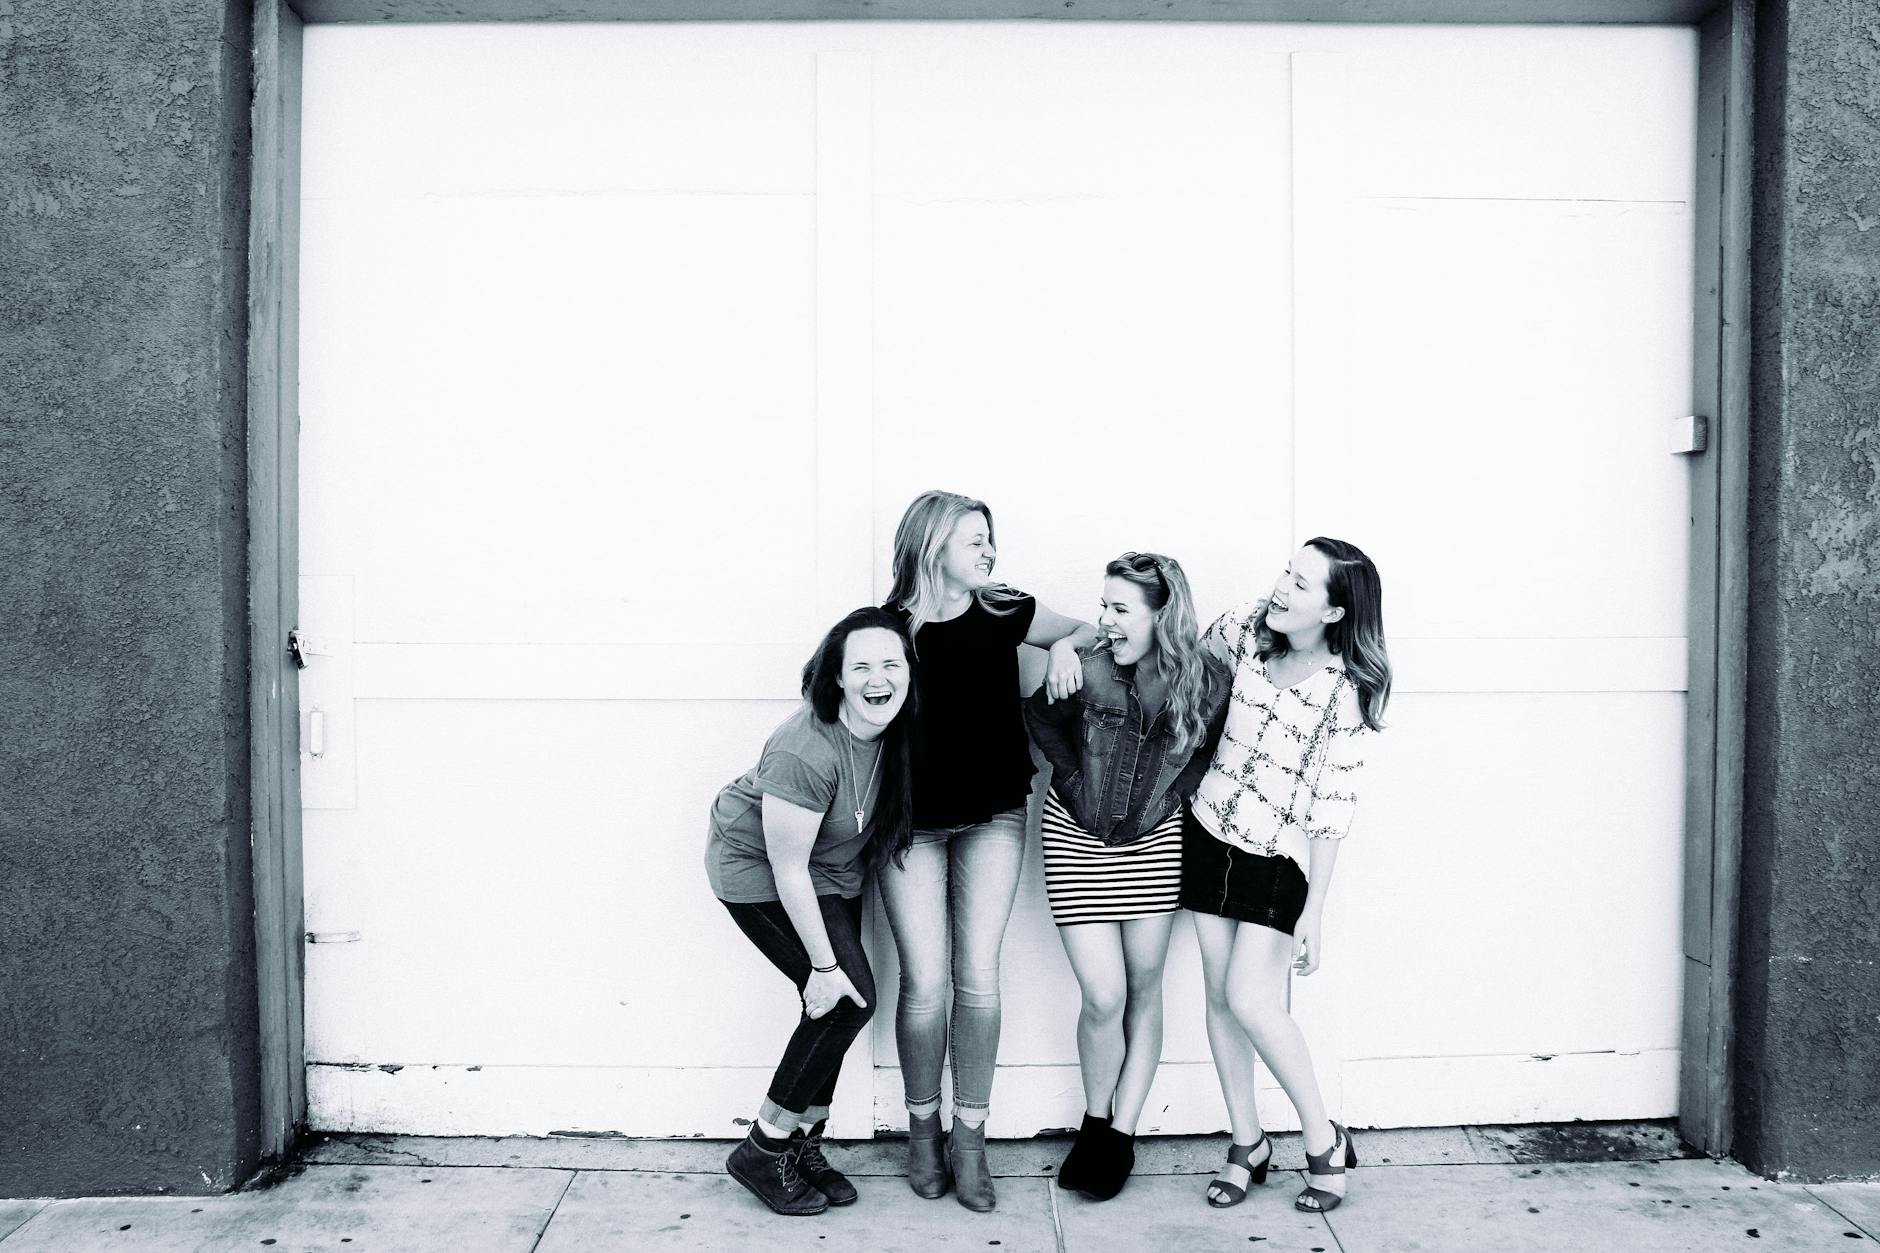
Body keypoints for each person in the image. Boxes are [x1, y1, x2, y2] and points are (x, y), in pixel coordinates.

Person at [878, 490, 1096, 1213]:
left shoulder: (1009, 611)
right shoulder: (885, 630)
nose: (988, 552)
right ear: (932, 542)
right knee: (924, 985)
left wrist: (1061, 643)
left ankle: (970, 1138)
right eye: (974, 540)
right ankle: (922, 1130)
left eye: (990, 540)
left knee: (977, 978)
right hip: (908, 824)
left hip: (995, 815)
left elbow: (1095, 632)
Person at [1182, 538, 1391, 1215]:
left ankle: (1324, 1138)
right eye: (1286, 571)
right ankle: (1247, 1143)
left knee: (1252, 1000)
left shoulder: (1346, 688)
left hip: (1279, 855)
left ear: (1333, 610)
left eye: (1301, 584)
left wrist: (1317, 908)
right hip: (1207, 829)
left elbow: (1333, 807)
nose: (1282, 587)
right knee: (1218, 995)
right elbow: (1184, 671)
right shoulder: (1246, 627)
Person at [1022, 552, 1232, 1201]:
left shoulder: (1207, 679)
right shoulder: (1083, 667)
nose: (1103, 618)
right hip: (1076, 840)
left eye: (1119, 608)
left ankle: (1120, 1133)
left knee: (1144, 987)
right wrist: (1076, 780)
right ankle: (1094, 1115)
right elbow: (1039, 719)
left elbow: (1211, 747)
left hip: (1154, 845)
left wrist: (1176, 797)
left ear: (1161, 614)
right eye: (1103, 603)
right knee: (1104, 996)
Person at [705, 607, 919, 1216]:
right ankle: (763, 1147)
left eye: (891, 663)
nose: (878, 679)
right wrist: (822, 969)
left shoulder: (895, 732)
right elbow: (787, 866)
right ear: (836, 679)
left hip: (829, 874)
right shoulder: (805, 747)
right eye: (861, 667)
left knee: (837, 1008)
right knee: (844, 999)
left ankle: (801, 1143)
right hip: (760, 874)